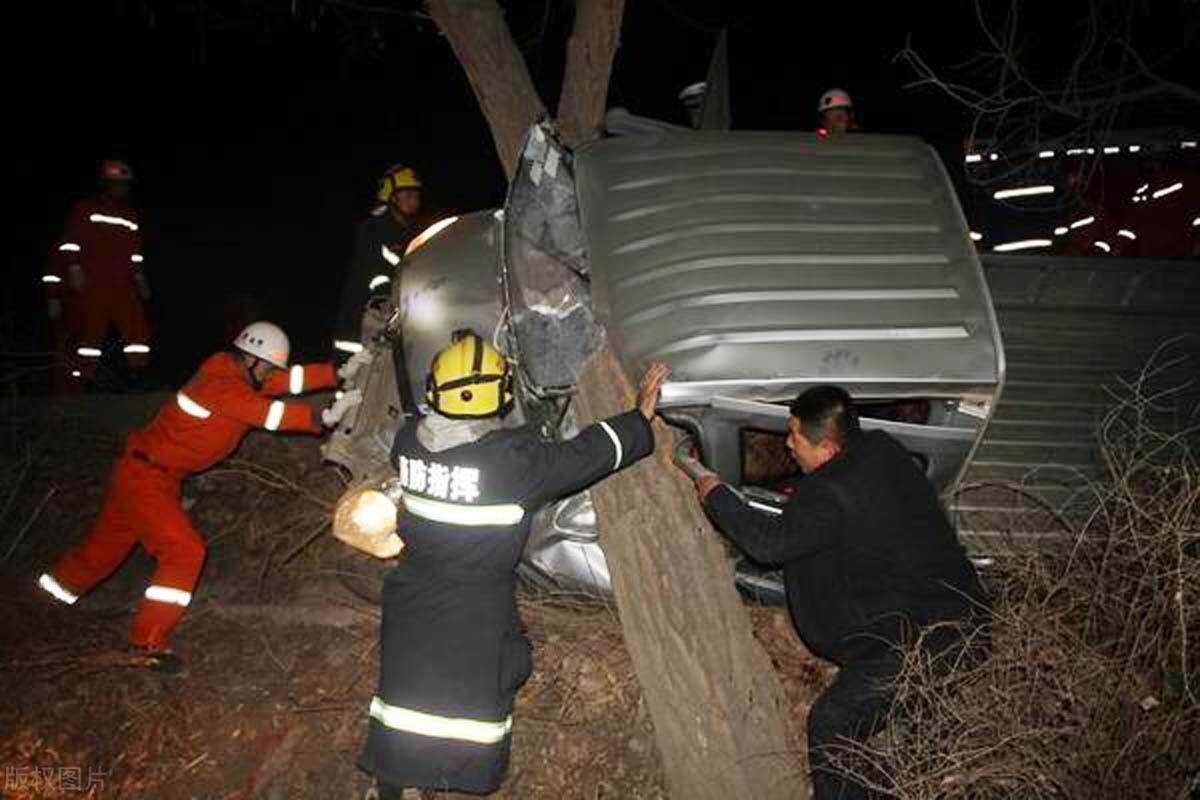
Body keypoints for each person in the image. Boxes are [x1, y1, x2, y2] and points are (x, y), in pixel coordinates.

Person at [356, 330, 669, 798]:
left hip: (413, 594)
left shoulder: (408, 446)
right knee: (480, 694)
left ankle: (395, 780)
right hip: (478, 606)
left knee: (406, 691)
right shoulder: (513, 464)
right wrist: (638, 419)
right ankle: (454, 780)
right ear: (499, 395)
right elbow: (585, 455)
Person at [684, 385, 988, 800]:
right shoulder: (882, 451)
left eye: (795, 437)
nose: (787, 445)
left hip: (926, 638)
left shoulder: (830, 493)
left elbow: (769, 544)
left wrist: (715, 493)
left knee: (833, 722)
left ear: (826, 447)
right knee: (909, 739)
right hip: (951, 614)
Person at [36, 322, 338, 673]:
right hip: (147, 477)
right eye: (268, 365)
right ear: (252, 360)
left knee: (102, 551)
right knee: (184, 551)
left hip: (146, 473)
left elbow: (286, 382)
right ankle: (145, 643)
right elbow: (269, 414)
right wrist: (322, 416)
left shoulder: (238, 374)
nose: (271, 373)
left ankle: (44, 602)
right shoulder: (222, 385)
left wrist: (335, 372)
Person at [43, 158, 152, 392]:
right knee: (90, 335)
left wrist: (140, 278)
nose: (122, 188)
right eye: (117, 183)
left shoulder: (130, 215)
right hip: (93, 283)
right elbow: (71, 242)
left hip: (123, 285)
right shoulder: (85, 209)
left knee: (138, 331)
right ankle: (85, 381)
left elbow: (135, 252)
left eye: (125, 184)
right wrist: (74, 268)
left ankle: (137, 375)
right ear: (105, 184)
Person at [333, 164, 427, 363]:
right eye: (406, 193)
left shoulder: (412, 233)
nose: (413, 199)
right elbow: (377, 272)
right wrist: (384, 297)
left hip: (397, 317)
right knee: (362, 384)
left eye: (415, 193)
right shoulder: (374, 230)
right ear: (392, 197)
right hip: (363, 324)